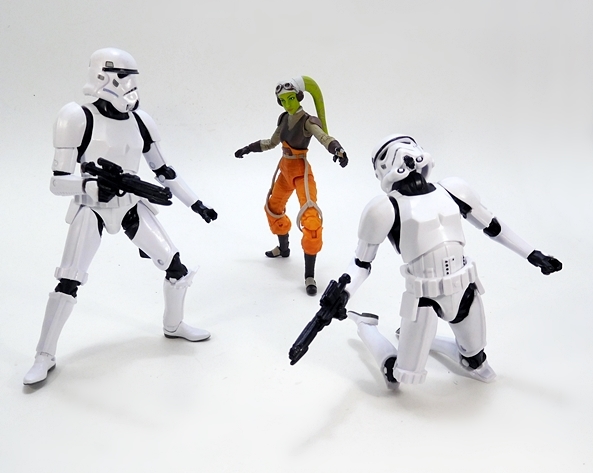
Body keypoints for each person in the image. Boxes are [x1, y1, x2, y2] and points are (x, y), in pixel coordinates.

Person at [24, 48, 217, 385]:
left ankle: (173, 325)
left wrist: (196, 204)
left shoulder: (141, 121)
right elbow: (57, 181)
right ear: (103, 76)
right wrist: (90, 186)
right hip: (91, 208)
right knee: (69, 281)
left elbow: (164, 171)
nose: (130, 85)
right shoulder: (77, 118)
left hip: (130, 206)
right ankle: (44, 355)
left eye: (132, 78)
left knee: (176, 268)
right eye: (124, 77)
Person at [311, 134, 562, 389]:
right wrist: (343, 293)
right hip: (424, 297)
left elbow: (493, 227)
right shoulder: (384, 208)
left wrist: (533, 254)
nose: (404, 156)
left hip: (465, 288)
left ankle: (427, 341)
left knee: (475, 361)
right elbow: (361, 264)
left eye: (407, 146)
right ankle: (366, 326)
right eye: (391, 152)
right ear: (382, 168)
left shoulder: (453, 190)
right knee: (398, 377)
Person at [235, 76, 348, 295]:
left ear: (298, 97)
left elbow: (323, 137)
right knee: (273, 206)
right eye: (283, 100)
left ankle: (309, 276)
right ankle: (284, 248)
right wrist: (248, 148)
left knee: (311, 218)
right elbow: (271, 142)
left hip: (301, 172)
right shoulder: (284, 119)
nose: (287, 104)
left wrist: (337, 149)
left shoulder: (308, 121)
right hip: (285, 170)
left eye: (290, 99)